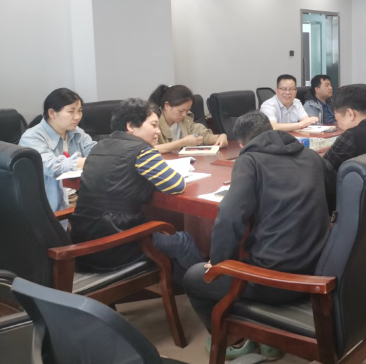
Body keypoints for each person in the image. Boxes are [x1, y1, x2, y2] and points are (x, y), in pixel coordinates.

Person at [183, 111, 330, 360]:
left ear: (242, 143)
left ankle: (236, 339)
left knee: (194, 277)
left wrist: (220, 264)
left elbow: (229, 217)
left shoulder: (250, 161)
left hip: (277, 281)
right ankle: (269, 336)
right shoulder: (311, 156)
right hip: (318, 270)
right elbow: (332, 197)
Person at [69, 98, 203, 280]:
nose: (158, 131)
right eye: (153, 125)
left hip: (84, 245)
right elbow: (176, 185)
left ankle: (178, 284)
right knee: (184, 240)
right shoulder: (141, 151)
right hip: (116, 245)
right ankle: (203, 289)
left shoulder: (100, 146)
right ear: (131, 126)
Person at [19, 88, 96, 216]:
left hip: (82, 198)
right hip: (52, 206)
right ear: (52, 113)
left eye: (80, 110)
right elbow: (53, 166)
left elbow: (95, 150)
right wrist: (88, 161)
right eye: (71, 111)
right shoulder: (31, 138)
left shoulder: (76, 132)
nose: (77, 116)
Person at [149, 84, 228, 153]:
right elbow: (149, 149)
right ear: (167, 106)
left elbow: (203, 135)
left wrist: (220, 137)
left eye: (187, 110)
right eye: (181, 111)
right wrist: (182, 142)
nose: (184, 114)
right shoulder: (153, 123)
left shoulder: (185, 120)